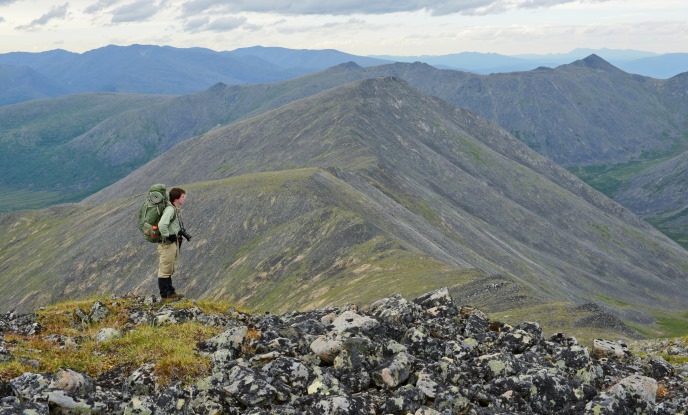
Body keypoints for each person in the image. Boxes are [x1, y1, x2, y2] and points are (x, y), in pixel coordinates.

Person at [157, 187, 187, 300]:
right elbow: (162, 225)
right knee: (165, 269)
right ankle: (165, 295)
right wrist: (168, 235)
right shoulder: (170, 210)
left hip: (171, 243)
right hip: (167, 244)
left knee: (169, 267)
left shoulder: (173, 209)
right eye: (183, 197)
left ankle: (171, 292)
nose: (184, 199)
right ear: (176, 198)